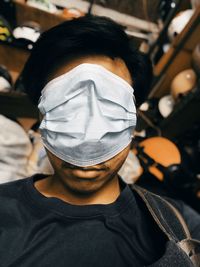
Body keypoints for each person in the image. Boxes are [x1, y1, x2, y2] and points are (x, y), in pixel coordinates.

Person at [0, 15, 199, 267]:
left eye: (110, 110)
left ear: (134, 118)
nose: (88, 142)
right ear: (42, 113)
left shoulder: (182, 228)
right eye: (66, 108)